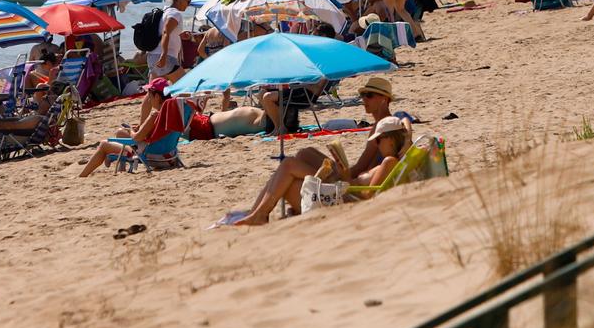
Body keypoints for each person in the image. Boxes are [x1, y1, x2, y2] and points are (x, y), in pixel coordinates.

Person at [227, 116, 412, 225]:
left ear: (390, 139)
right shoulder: (393, 160)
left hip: (344, 198)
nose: (377, 144)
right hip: (345, 190)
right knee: (304, 153)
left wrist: (347, 180)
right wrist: (406, 140)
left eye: (379, 140)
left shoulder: (389, 161)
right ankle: (258, 212)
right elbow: (405, 120)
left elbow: (368, 197)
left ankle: (259, 214)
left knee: (289, 166)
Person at [79, 79, 198, 175]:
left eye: (149, 96)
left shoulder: (155, 115)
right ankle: (121, 170)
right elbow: (158, 133)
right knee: (121, 132)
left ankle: (82, 175)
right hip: (170, 155)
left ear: (157, 97)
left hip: (153, 156)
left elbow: (136, 138)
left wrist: (131, 130)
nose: (149, 100)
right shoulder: (177, 113)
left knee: (104, 145)